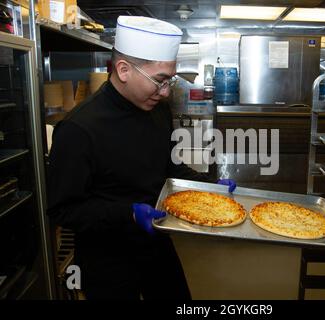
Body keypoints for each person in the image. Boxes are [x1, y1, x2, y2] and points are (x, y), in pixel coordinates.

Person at [47, 16, 236, 300]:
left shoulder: (157, 110)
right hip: (107, 261)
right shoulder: (79, 129)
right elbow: (64, 209)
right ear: (123, 70)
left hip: (156, 243)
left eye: (169, 81)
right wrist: (129, 214)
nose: (165, 92)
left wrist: (208, 186)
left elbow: (170, 166)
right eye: (159, 81)